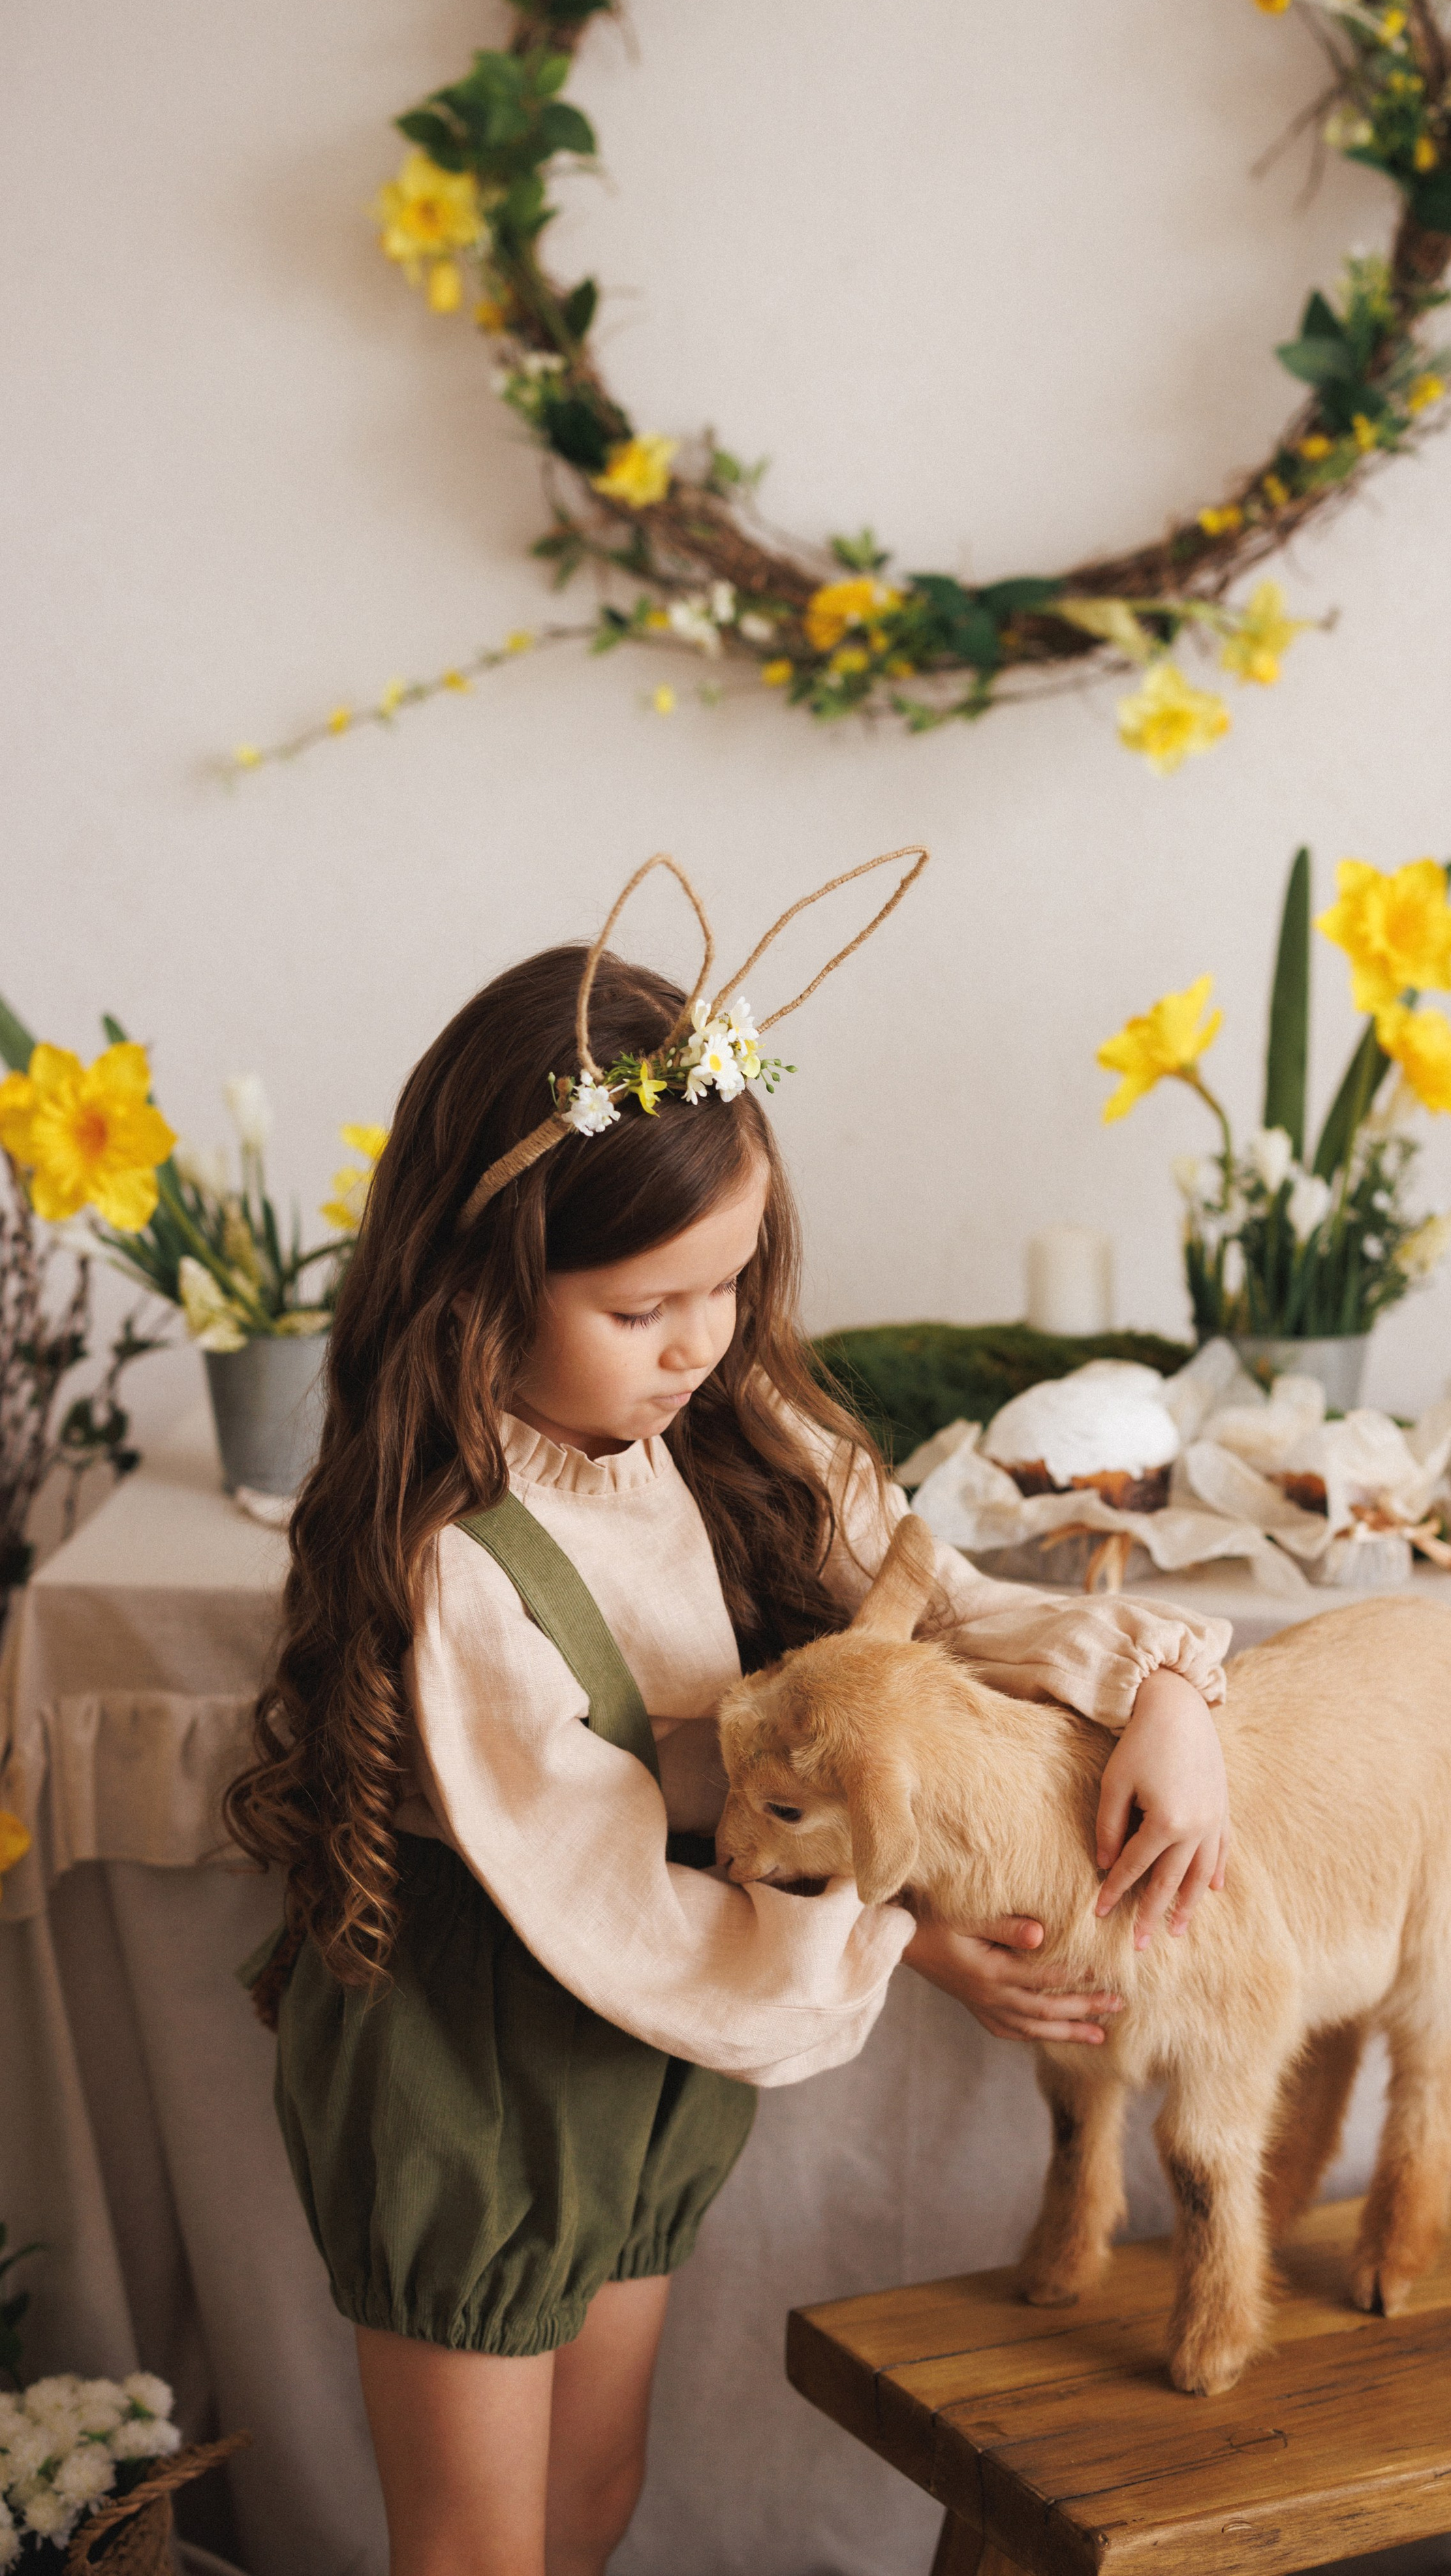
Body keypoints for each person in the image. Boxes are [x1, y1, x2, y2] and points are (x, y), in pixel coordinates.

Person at [224, 855, 1232, 2576]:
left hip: (659, 2035)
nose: (700, 1341)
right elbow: (607, 1884)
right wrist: (906, 1939)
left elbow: (942, 1595)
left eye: (730, 1278)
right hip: (490, 2042)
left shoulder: (727, 1410)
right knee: (475, 2543)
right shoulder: (457, 1562)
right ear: (485, 1274)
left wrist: (1166, 1685)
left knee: (591, 2498)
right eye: (641, 1308)